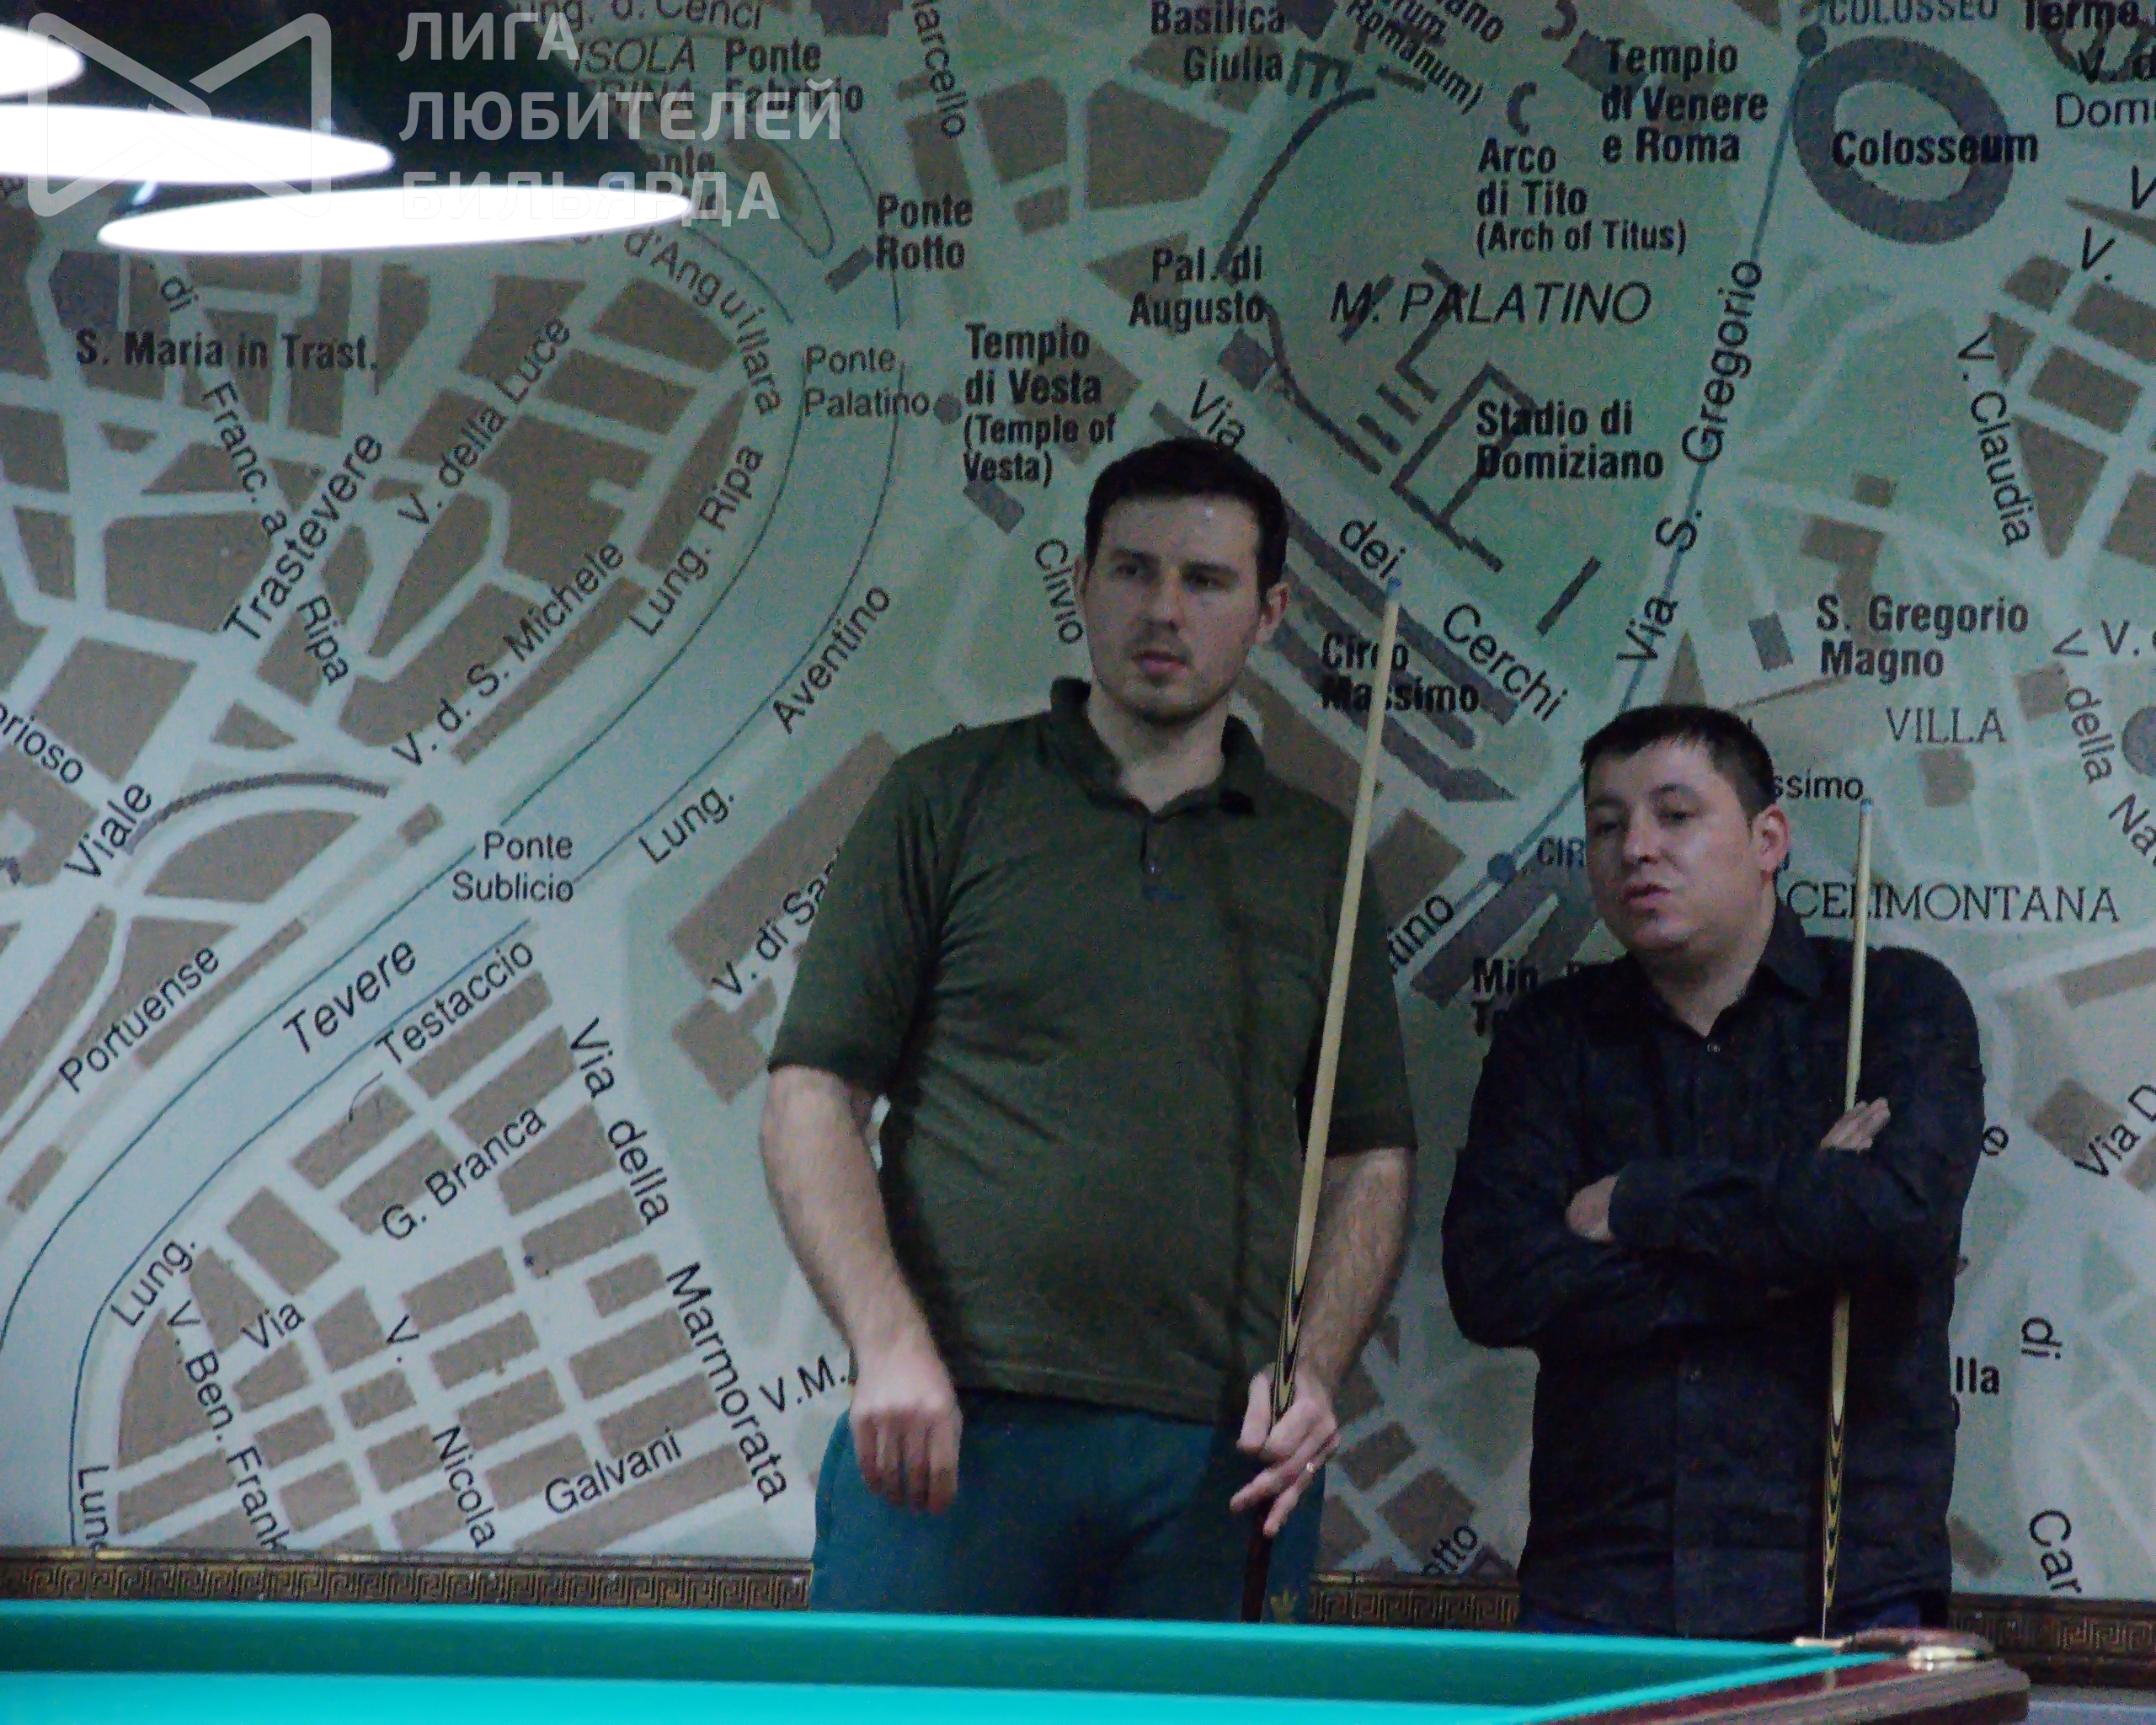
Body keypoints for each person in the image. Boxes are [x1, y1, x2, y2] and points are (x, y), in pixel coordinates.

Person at [760, 436, 1417, 1619]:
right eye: (1133, 570)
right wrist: (887, 1340)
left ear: (1268, 611)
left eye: (1206, 580)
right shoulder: (944, 796)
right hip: (956, 1425)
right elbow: (812, 1096)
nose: (1164, 609)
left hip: (1222, 1458)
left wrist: (1314, 1369)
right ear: (1080, 582)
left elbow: (1368, 1155)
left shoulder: (1318, 855)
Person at [1442, 704, 1983, 1640]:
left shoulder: (1896, 1005)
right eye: (1606, 824)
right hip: (1599, 1581)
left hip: (1847, 1580)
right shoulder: (1549, 1038)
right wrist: (1793, 1237)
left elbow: (1897, 1220)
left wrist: (1642, 1201)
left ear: (1768, 838)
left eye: (1675, 814)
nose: (1635, 849)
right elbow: (1495, 1281)